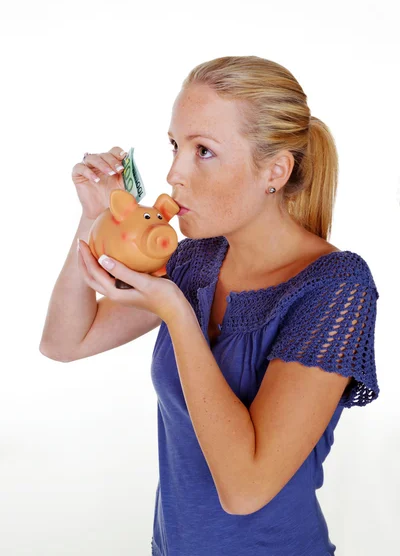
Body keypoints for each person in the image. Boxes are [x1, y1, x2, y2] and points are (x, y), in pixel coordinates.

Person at [39, 55, 380, 556]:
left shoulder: (334, 288)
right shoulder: (195, 261)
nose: (174, 173)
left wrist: (177, 314)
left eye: (204, 151)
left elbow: (245, 489)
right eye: (175, 145)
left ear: (275, 171)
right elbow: (64, 342)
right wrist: (94, 221)